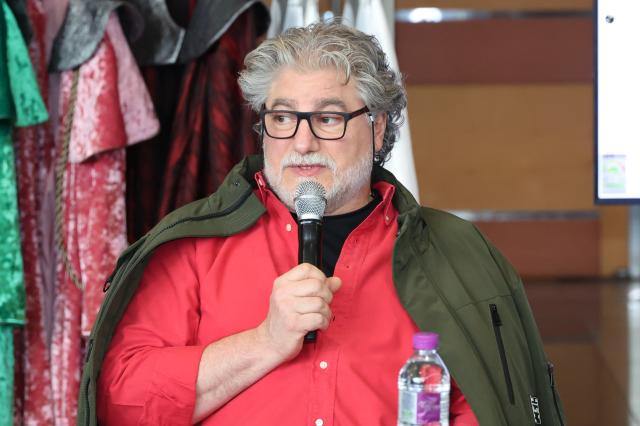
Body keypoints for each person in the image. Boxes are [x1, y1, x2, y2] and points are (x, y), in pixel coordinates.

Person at [80, 22, 566, 425]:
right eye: (284, 118)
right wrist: (265, 342)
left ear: (376, 128)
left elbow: (489, 404)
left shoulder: (454, 251)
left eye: (328, 119)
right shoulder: (191, 245)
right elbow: (120, 401)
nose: (303, 142)